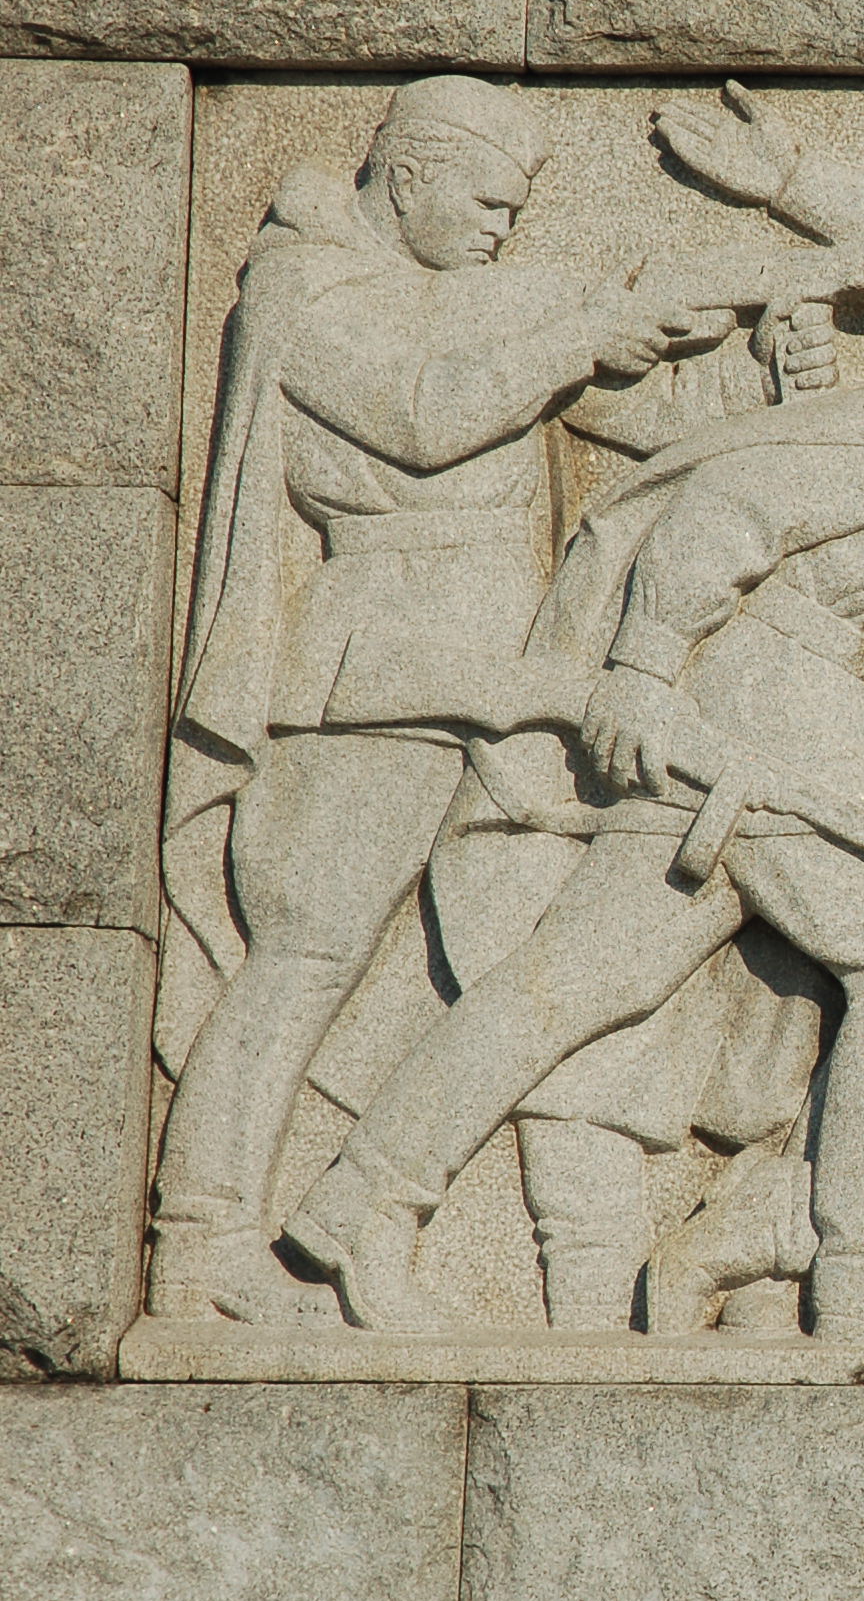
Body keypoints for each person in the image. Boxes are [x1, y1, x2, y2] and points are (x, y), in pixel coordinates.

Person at [282, 290, 864, 1361]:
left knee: (579, 980)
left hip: (807, 698)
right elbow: (737, 502)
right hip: (762, 696)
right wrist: (645, 666)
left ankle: (357, 1206)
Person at [150, 76, 730, 1324]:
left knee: (496, 969)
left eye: (517, 210)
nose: (503, 228)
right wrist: (581, 332)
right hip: (380, 671)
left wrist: (747, 368)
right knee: (306, 959)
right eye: (488, 202)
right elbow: (422, 415)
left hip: (508, 669)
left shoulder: (470, 297)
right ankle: (200, 1239)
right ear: (409, 173)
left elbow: (638, 419)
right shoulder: (304, 290)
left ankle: (389, 1230)